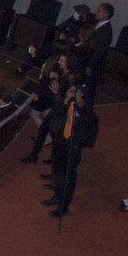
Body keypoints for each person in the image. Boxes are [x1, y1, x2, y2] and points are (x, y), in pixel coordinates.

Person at [45, 86, 98, 218]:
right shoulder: (67, 105)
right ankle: (57, 195)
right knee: (57, 172)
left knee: (68, 177)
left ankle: (64, 205)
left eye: (78, 93)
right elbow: (56, 115)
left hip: (73, 147)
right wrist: (65, 100)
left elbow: (87, 124)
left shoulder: (87, 112)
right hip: (61, 143)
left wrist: (80, 106)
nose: (76, 95)